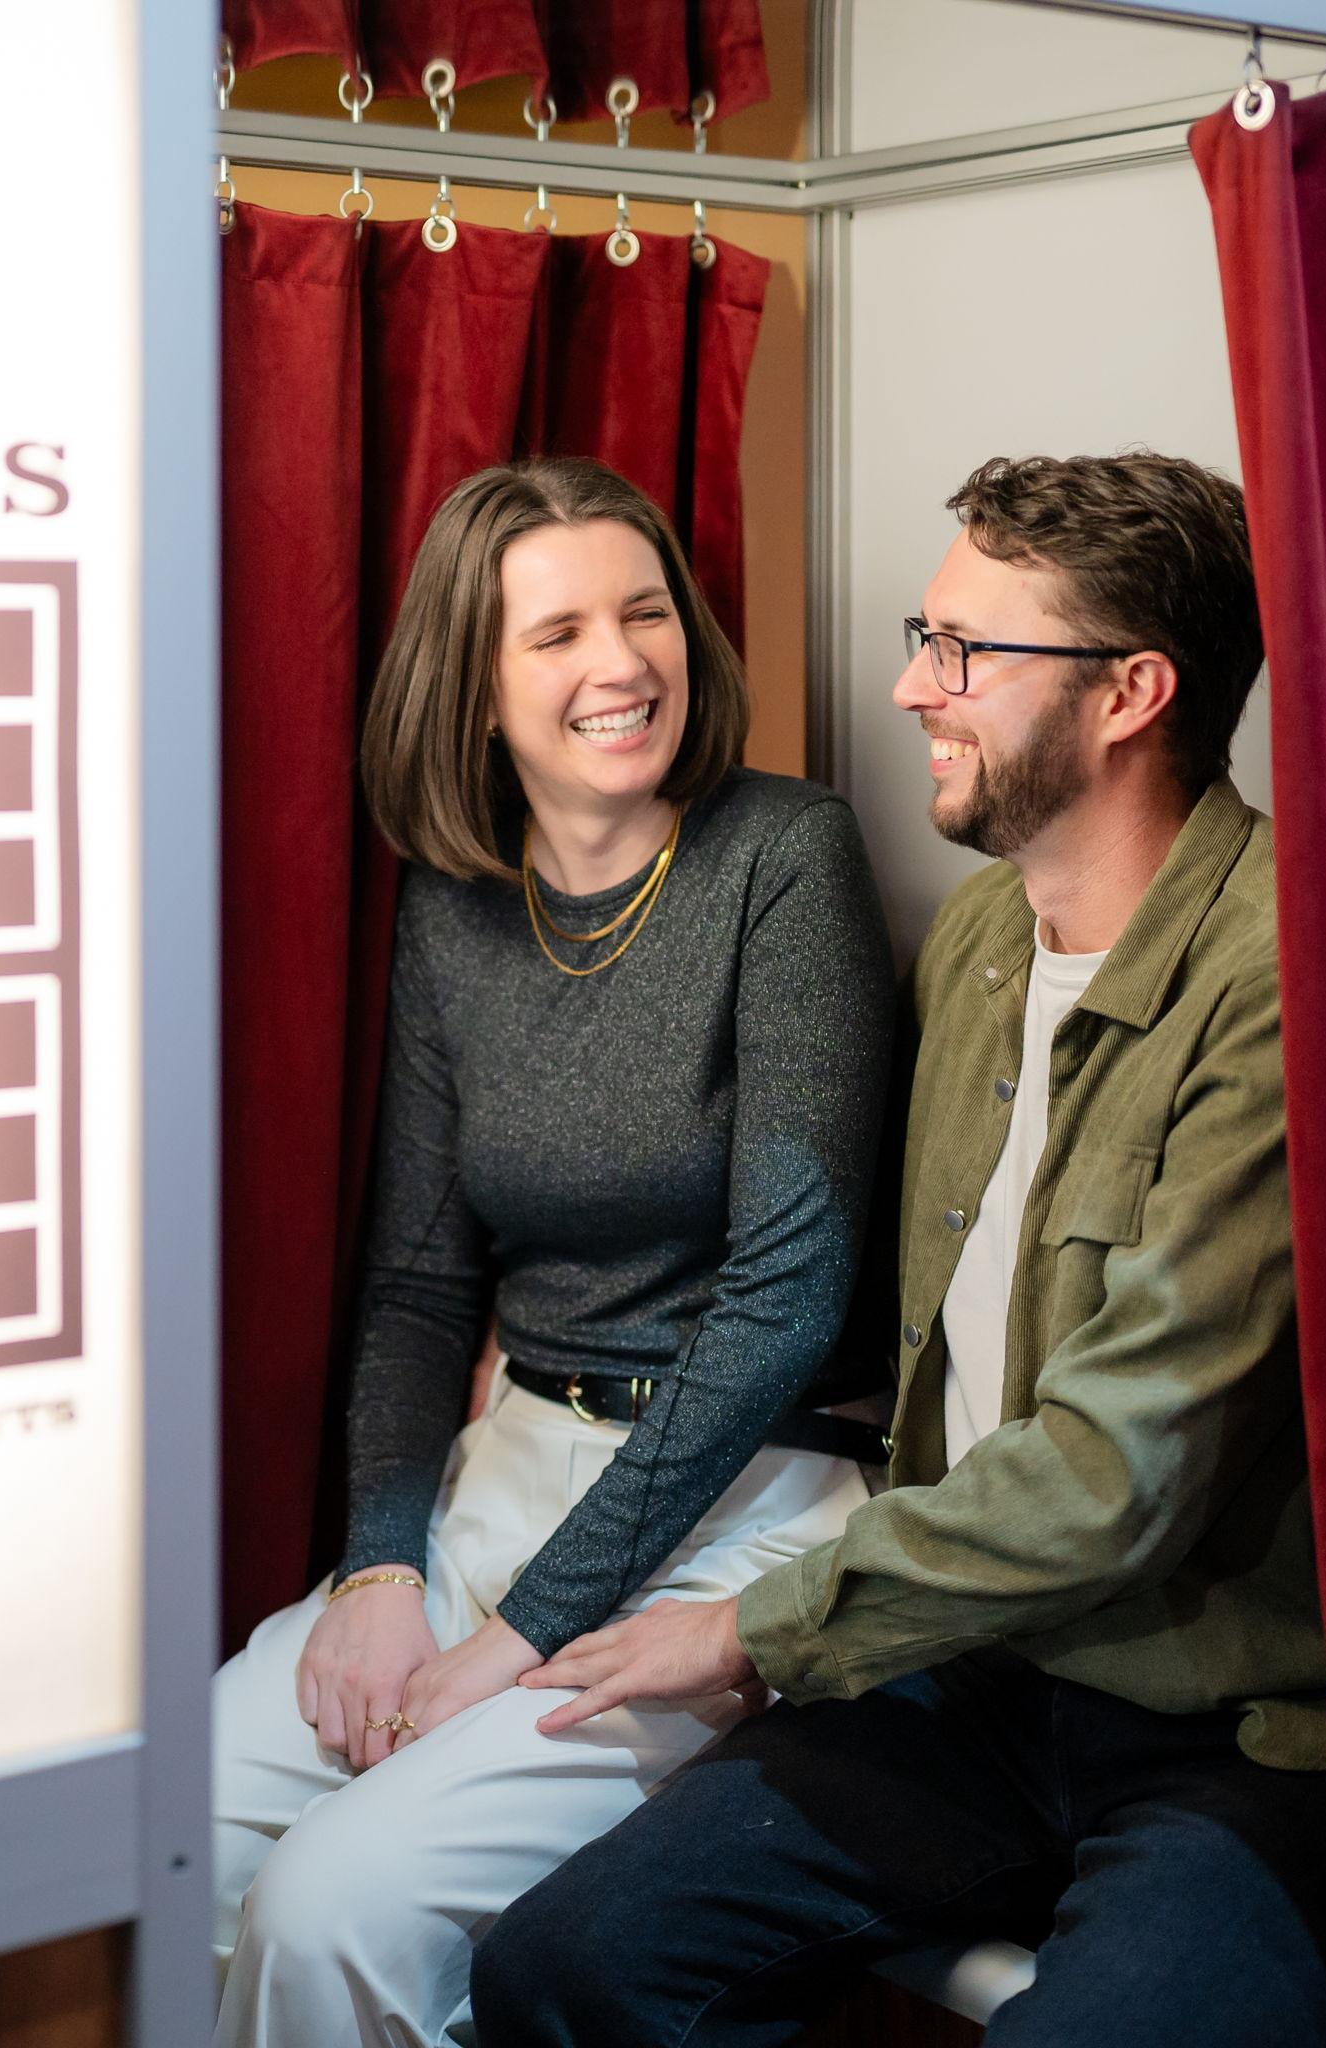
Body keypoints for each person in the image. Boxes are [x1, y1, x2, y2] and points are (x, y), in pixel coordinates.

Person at [471, 453, 1326, 2048]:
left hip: (1232, 1729)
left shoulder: (1288, 980)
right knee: (565, 1963)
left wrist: (758, 1628)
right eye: (922, 638)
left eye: (962, 650)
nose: (909, 687)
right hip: (981, 1663)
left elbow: (1116, 1474)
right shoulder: (981, 937)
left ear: (1130, 694)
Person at [211, 456, 896, 2048]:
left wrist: (521, 1634)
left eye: (645, 613)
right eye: (560, 632)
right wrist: (382, 1570)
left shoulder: (785, 856)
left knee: (331, 1912)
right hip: (503, 1476)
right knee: (176, 1831)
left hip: (743, 1502)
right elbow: (418, 1286)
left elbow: (787, 1297)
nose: (623, 663)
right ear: (475, 686)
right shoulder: (457, 905)